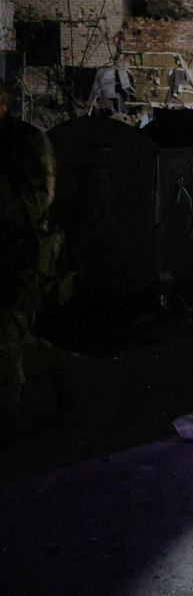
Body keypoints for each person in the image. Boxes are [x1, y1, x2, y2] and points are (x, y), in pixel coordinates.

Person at [0, 82, 60, 433]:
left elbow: (37, 204)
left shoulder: (27, 141)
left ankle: (11, 416)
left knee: (6, 334)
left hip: (19, 255)